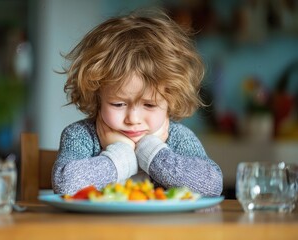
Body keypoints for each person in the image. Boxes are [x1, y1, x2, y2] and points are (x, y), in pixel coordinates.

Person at [52, 9, 223, 197]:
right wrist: (122, 156)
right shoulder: (81, 136)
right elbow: (66, 185)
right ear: (97, 96)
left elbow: (212, 185)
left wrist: (150, 152)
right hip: (99, 227)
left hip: (164, 227)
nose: (133, 119)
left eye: (149, 105)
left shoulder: (178, 137)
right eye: (118, 104)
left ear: (171, 100)